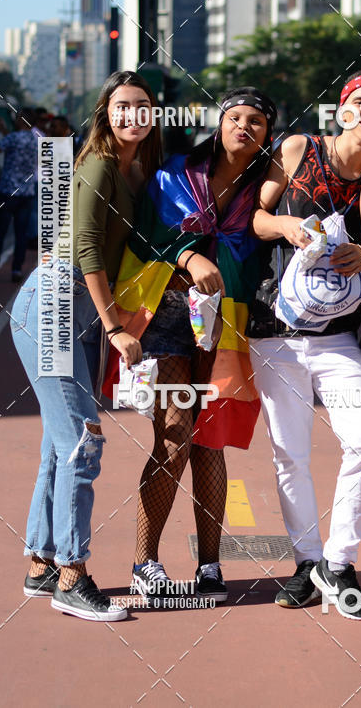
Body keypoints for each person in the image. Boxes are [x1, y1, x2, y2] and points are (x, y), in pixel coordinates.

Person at [106, 87, 278, 603]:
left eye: (257, 122)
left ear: (267, 134)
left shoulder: (264, 187)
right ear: (220, 122)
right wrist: (188, 257)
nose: (243, 127)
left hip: (227, 320)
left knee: (210, 441)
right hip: (167, 316)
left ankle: (209, 565)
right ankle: (146, 562)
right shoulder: (176, 172)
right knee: (175, 436)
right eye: (235, 117)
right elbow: (147, 232)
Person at [11, 71, 162, 621]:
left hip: (76, 306)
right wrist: (114, 324)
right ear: (105, 112)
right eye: (121, 107)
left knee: (61, 442)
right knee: (83, 440)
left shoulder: (138, 170)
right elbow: (88, 247)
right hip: (57, 301)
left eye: (142, 107)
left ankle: (40, 564)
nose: (132, 116)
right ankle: (73, 577)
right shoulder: (98, 161)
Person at [247, 69, 361, 620]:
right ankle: (306, 564)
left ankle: (340, 560)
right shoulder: (298, 148)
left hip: (337, 337)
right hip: (276, 332)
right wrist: (286, 227)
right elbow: (255, 218)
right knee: (290, 452)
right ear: (342, 108)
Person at [0, 109, 37, 283]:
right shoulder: (35, 139)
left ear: (21, 120)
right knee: (21, 234)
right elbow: (13, 142)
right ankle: (16, 270)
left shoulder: (14, 138)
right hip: (26, 193)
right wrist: (3, 130)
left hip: (8, 192)